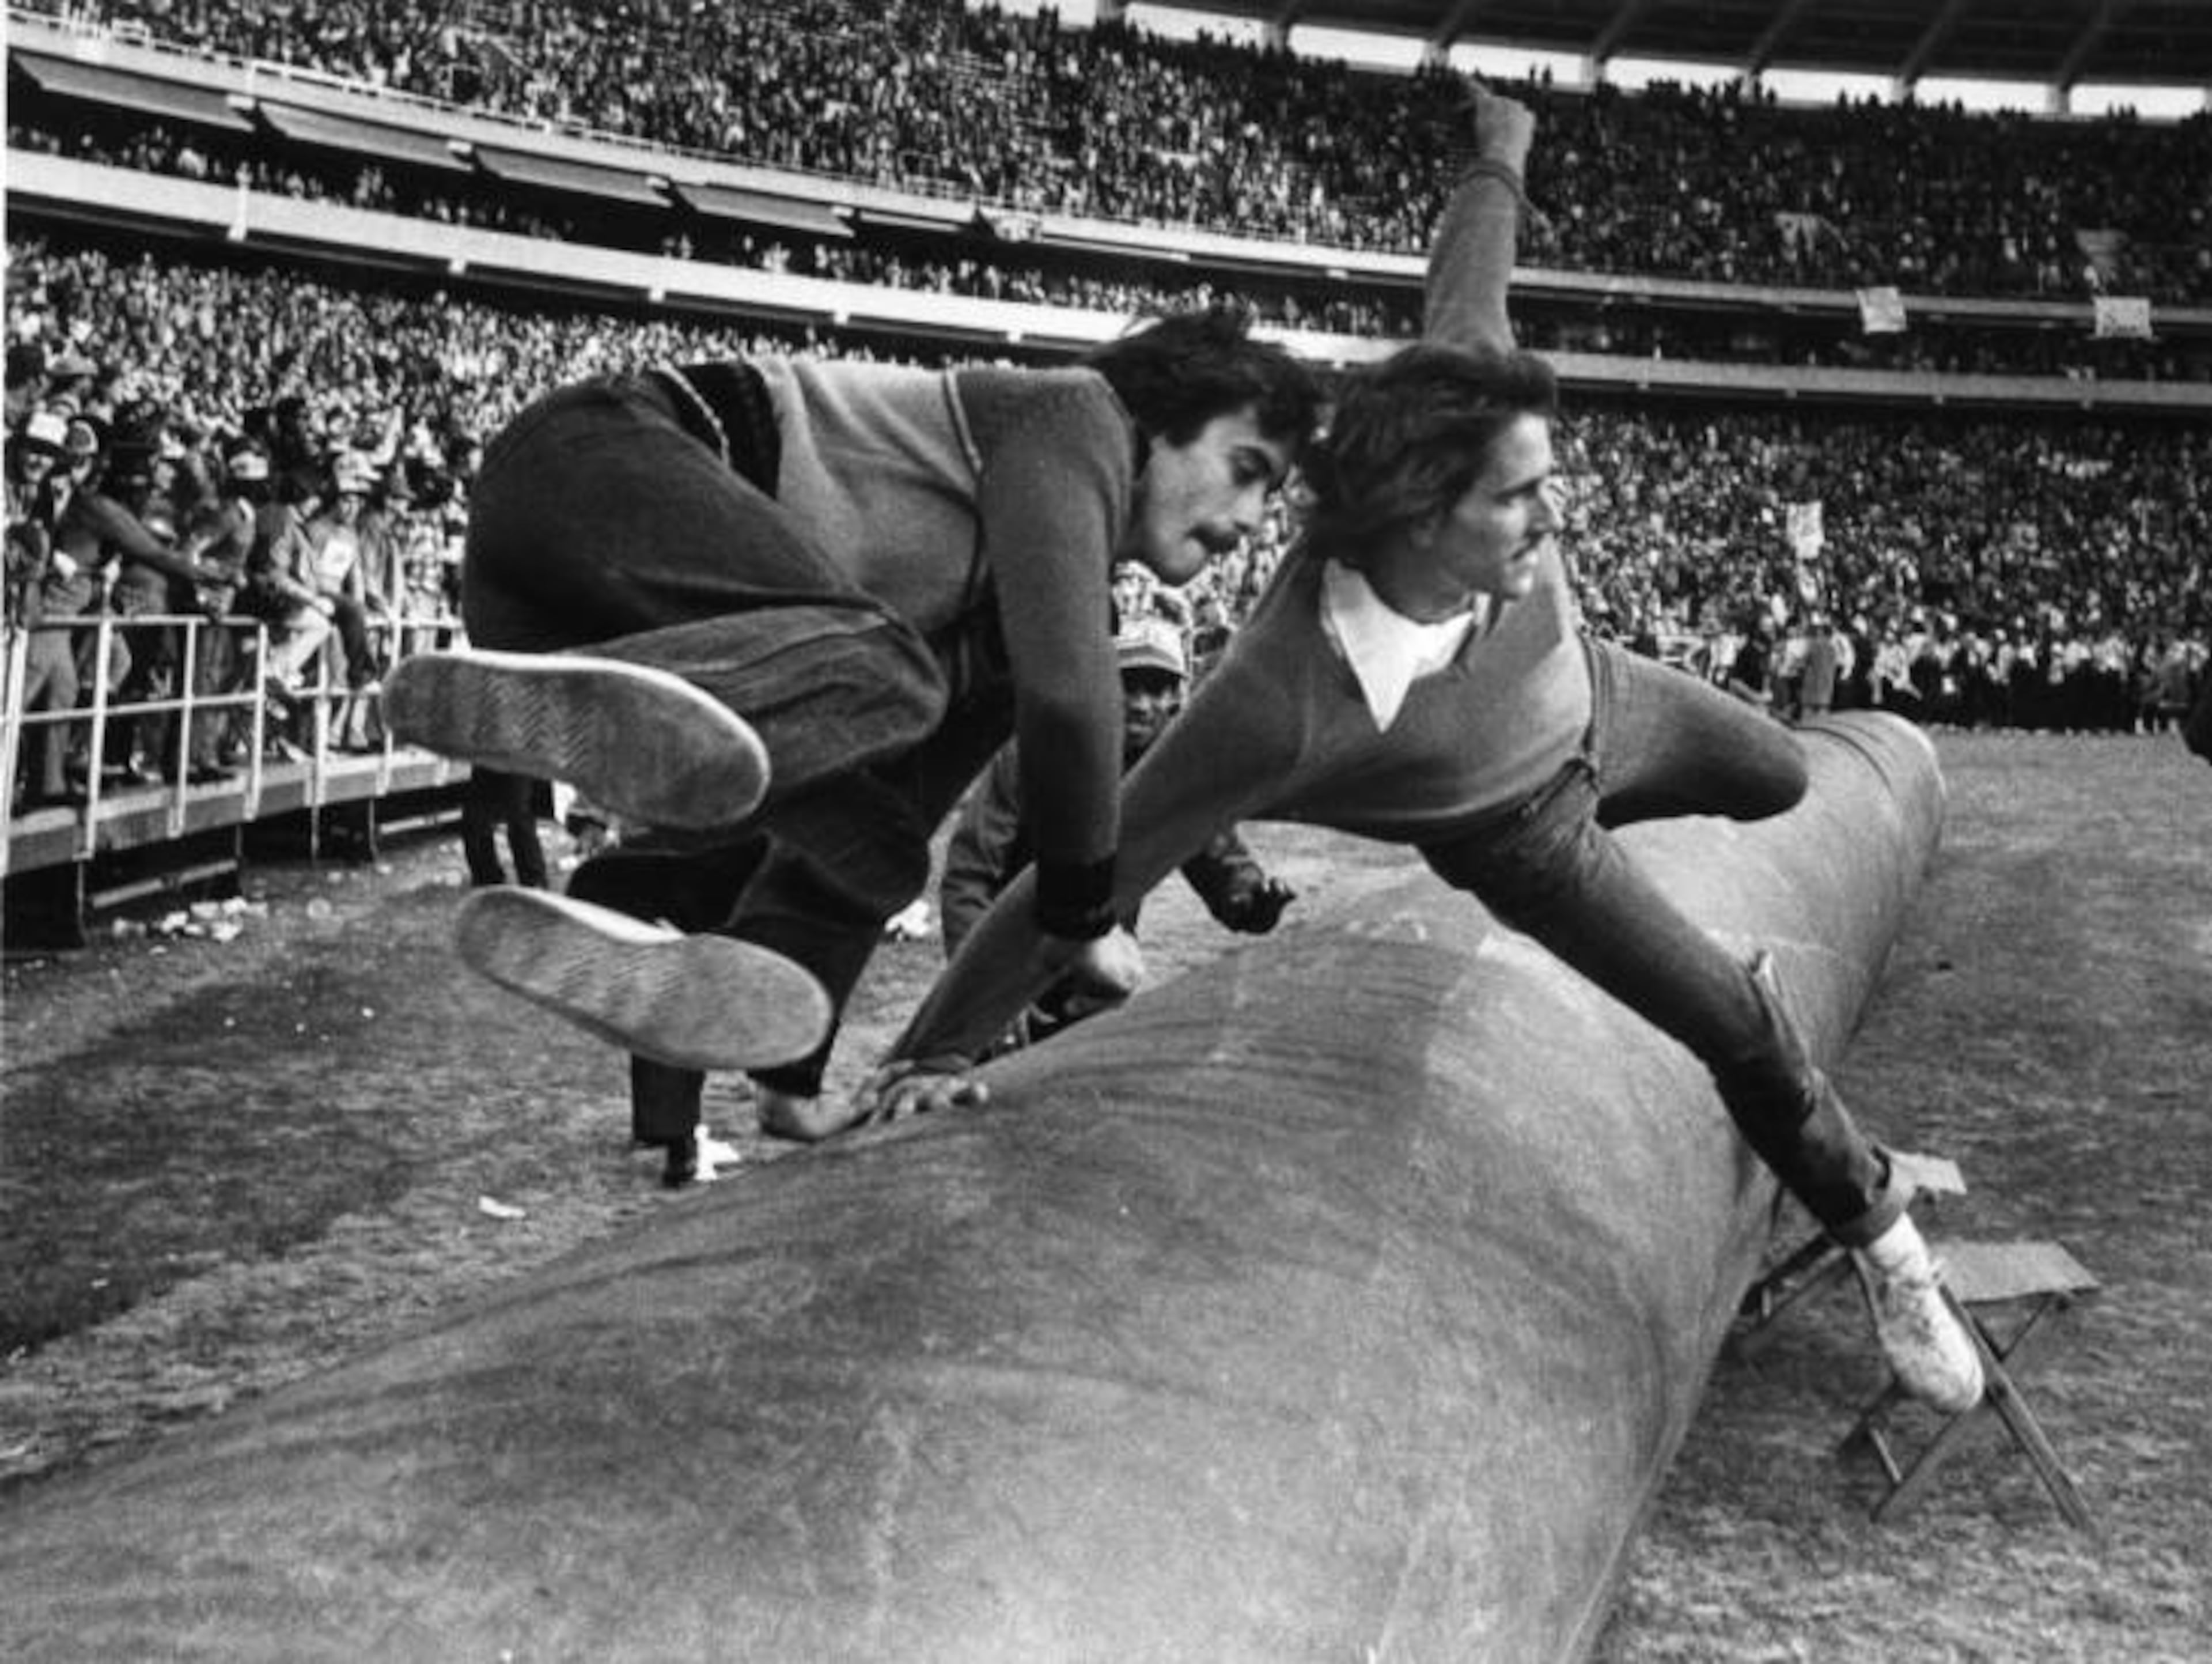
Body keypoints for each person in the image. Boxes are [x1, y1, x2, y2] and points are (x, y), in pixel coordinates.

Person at [877, 86, 1985, 1416]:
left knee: (1785, 775)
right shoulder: (1278, 703)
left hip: (1609, 698)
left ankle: (1701, 894)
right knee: (1735, 1023)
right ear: (1418, 514)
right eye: (1517, 499)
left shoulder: (1462, 389)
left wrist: (1501, 147)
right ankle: (1887, 1244)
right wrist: (932, 1050)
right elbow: (1087, 876)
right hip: (1521, 837)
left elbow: (1470, 268)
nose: (1551, 513)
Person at [384, 284, 1322, 1148]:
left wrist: (796, 1084)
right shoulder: (1080, 413)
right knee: (892, 674)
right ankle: (582, 715)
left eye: (1271, 497)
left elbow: (908, 806)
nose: (1252, 517)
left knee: (880, 848)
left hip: (587, 605)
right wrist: (1082, 915)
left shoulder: (1017, 613)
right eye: (1245, 468)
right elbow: (1074, 701)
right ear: (1157, 422)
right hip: (592, 468)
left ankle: (645, 900)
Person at [938, 614, 1297, 1056]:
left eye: (1159, 689)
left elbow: (1217, 855)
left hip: (1091, 955)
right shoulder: (1036, 750)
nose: (1144, 705)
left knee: (1113, 978)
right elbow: (969, 875)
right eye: (1131, 686)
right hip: (1010, 940)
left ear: (1176, 700)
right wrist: (982, 995)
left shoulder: (1172, 773)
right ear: (1102, 689)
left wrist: (1251, 899)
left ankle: (1064, 1032)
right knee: (976, 1067)